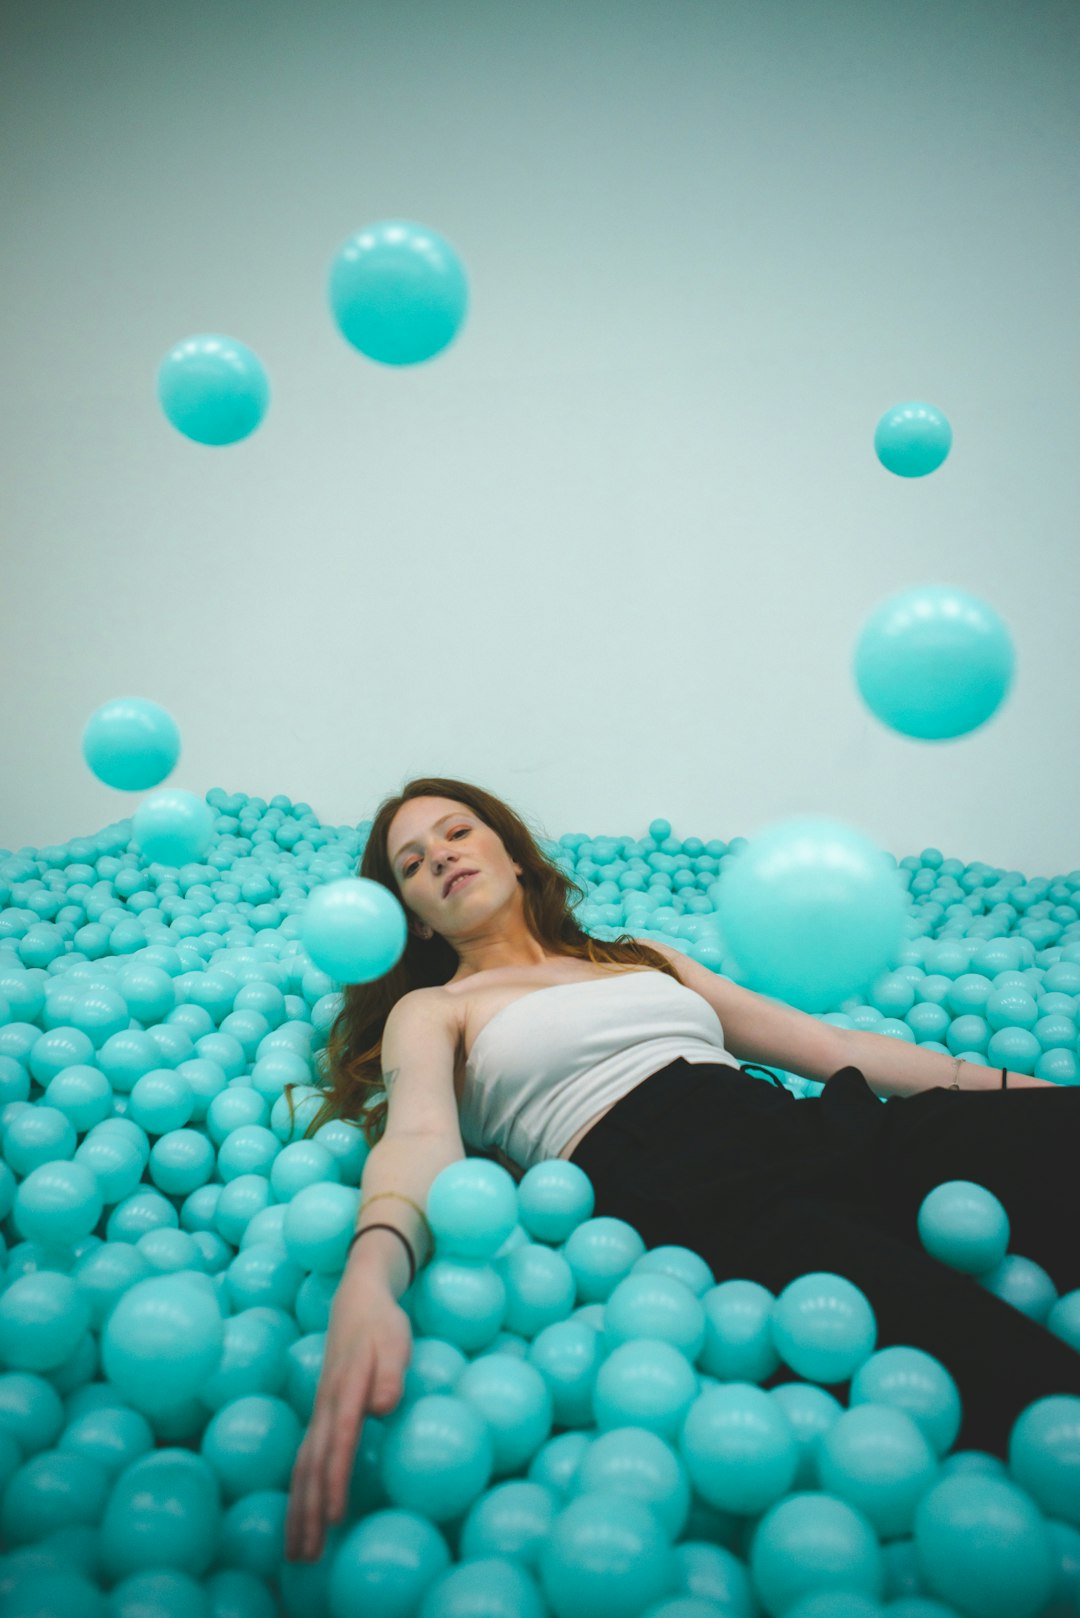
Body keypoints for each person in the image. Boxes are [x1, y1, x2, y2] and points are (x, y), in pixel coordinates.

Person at [284, 777, 1080, 1564]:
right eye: (414, 864)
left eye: (456, 832)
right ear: (416, 921)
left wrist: (1039, 1098)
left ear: (511, 851)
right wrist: (370, 1277)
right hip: (693, 1193)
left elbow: (836, 1050)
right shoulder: (436, 1011)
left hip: (812, 1125)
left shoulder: (640, 958)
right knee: (990, 1360)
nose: (442, 858)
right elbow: (422, 1135)